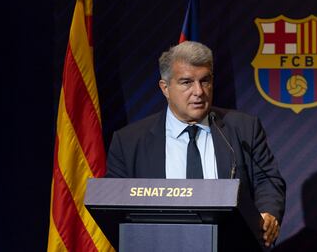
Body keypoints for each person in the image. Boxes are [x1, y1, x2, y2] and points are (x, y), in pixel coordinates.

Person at [106, 41, 286, 249]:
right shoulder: (129, 142)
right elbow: (115, 204)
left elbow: (268, 179)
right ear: (165, 88)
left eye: (205, 81)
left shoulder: (244, 128)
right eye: (186, 82)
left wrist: (268, 213)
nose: (199, 91)